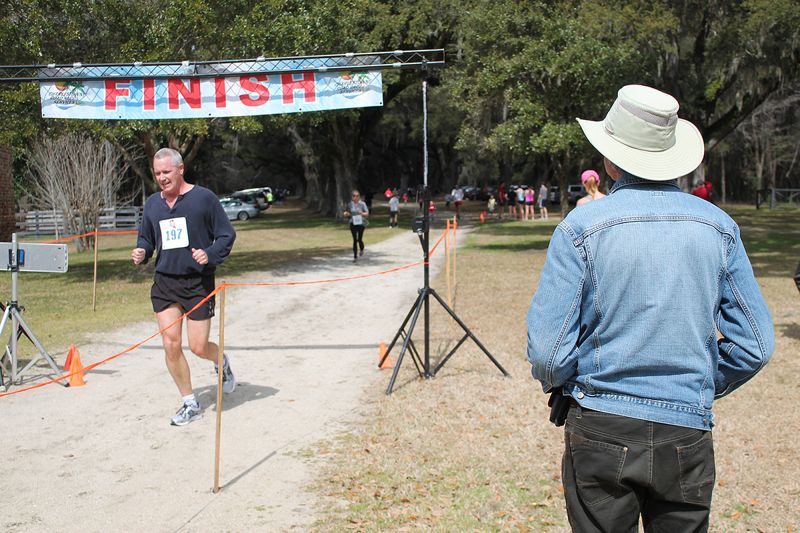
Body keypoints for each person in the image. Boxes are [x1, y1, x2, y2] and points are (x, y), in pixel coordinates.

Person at [526, 85, 774, 531]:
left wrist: (564, 383)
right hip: (687, 427)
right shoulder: (719, 227)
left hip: (601, 421)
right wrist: (697, 385)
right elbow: (755, 345)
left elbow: (548, 352)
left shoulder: (581, 227)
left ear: (610, 159)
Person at [132, 148, 237, 427]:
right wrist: (142, 251)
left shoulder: (204, 199)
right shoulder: (153, 203)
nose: (162, 178)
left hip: (196, 282)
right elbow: (147, 238)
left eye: (166, 172)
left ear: (180, 169)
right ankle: (190, 402)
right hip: (165, 282)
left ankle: (221, 362)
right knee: (171, 344)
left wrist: (210, 254)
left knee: (199, 347)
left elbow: (226, 235)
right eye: (157, 173)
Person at [343, 190, 369, 262]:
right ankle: (355, 257)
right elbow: (345, 212)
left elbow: (367, 213)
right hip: (353, 223)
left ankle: (361, 249)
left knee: (359, 239)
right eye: (354, 196)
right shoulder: (350, 204)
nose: (356, 197)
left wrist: (362, 213)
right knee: (355, 239)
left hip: (361, 223)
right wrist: (346, 214)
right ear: (352, 197)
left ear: (359, 196)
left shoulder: (362, 204)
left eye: (357, 196)